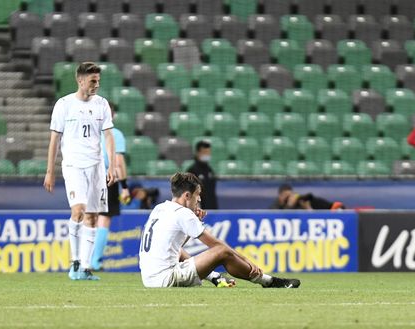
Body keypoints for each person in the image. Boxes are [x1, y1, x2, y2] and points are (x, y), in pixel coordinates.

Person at [139, 172, 300, 288]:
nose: (199, 199)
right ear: (187, 196)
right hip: (165, 279)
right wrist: (248, 261)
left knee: (179, 251)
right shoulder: (183, 214)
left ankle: (215, 277)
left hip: (149, 279)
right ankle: (267, 281)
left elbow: (176, 244)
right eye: (197, 194)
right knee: (221, 252)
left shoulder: (160, 208)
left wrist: (196, 220)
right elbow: (217, 245)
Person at [43, 62, 115, 281]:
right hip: (73, 166)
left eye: (98, 81)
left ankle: (84, 268)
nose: (96, 85)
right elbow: (54, 139)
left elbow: (108, 135)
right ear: (80, 80)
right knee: (79, 210)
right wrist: (50, 171)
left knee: (92, 217)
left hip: (96, 167)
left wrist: (110, 165)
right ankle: (74, 262)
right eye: (93, 81)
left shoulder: (102, 104)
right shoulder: (64, 105)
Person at [90, 105, 130, 271]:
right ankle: (95, 262)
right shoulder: (115, 134)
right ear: (112, 115)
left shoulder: (89, 132)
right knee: (104, 219)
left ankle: (82, 260)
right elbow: (118, 162)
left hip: (88, 175)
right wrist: (125, 186)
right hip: (107, 177)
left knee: (89, 219)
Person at [187, 140, 218, 209]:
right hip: (198, 211)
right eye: (204, 152)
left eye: (208, 152)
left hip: (212, 208)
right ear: (198, 153)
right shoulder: (192, 171)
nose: (207, 155)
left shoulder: (210, 170)